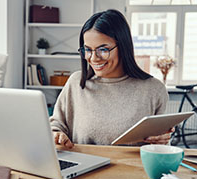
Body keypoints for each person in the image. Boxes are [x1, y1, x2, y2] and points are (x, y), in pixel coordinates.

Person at [50, 9, 172, 148]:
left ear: (123, 47)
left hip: (132, 168)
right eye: (88, 50)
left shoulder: (153, 89)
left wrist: (163, 139)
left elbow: (161, 145)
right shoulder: (76, 83)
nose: (94, 58)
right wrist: (56, 134)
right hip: (84, 167)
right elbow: (56, 125)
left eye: (103, 49)